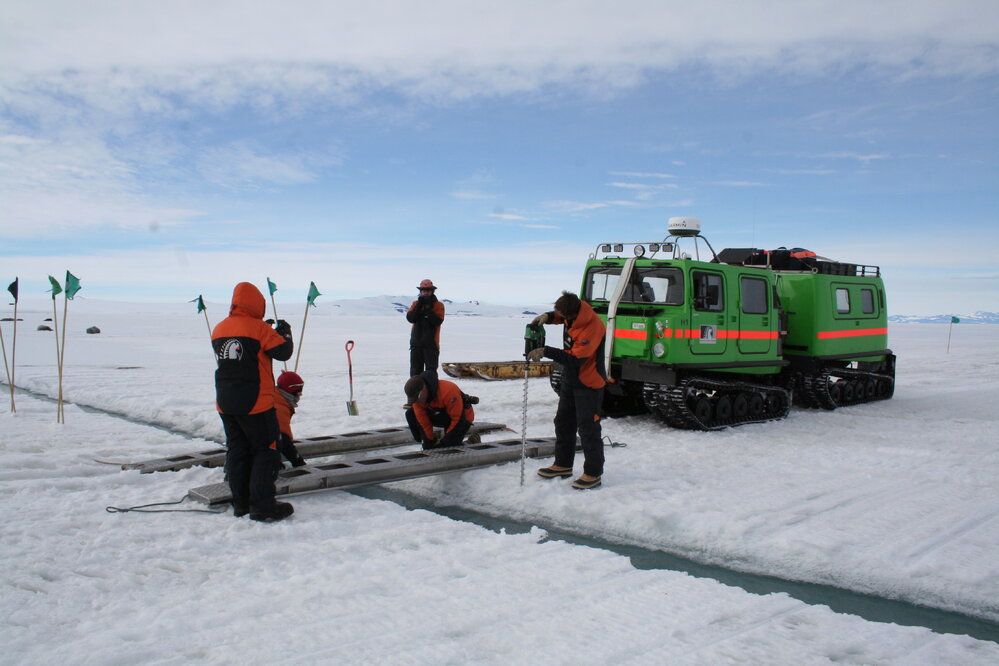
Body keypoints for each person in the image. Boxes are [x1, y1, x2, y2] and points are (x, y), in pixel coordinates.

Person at [212, 282, 295, 522]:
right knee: (265, 451)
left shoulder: (220, 328)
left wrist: (265, 330)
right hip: (256, 401)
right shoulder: (259, 328)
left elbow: (246, 349)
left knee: (237, 450)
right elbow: (283, 352)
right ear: (257, 303)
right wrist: (285, 332)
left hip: (226, 401)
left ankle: (241, 504)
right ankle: (263, 505)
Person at [526, 291, 607, 489]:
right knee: (563, 422)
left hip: (589, 382)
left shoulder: (592, 327)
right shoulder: (572, 315)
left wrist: (546, 351)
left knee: (588, 428)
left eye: (563, 317)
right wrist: (548, 316)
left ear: (572, 314)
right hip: (571, 378)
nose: (561, 319)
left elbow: (576, 358)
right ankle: (562, 464)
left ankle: (593, 473)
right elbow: (559, 317)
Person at [404, 371, 476, 450]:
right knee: (410, 414)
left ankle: (471, 442)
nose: (416, 402)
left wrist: (445, 443)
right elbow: (423, 423)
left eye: (417, 399)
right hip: (440, 414)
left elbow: (457, 420)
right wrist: (428, 444)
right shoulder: (417, 399)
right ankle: (435, 440)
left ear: (423, 390)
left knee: (449, 448)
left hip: (462, 418)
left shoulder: (448, 391)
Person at [406, 279, 445, 376]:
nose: (425, 292)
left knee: (430, 372)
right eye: (423, 290)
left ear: (432, 291)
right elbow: (411, 318)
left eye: (427, 290)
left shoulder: (438, 305)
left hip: (431, 344)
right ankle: (415, 391)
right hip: (416, 343)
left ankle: (431, 391)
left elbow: (437, 321)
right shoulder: (415, 304)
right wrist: (419, 306)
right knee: (415, 371)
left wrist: (428, 308)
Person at [274, 370, 307, 468]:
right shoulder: (279, 407)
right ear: (291, 391)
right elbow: (283, 439)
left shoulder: (276, 398)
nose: (301, 394)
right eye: (299, 391)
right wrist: (298, 462)